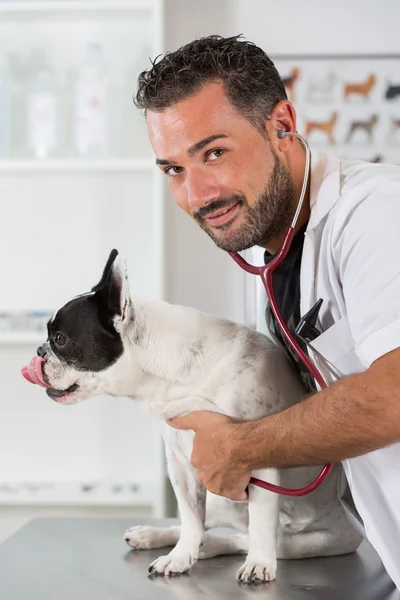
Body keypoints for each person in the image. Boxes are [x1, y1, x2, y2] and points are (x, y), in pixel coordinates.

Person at [133, 34, 400, 587]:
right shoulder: (273, 251)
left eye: (214, 153)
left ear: (281, 124)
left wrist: (242, 445)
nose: (197, 194)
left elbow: (395, 392)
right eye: (173, 170)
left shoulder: (376, 214)